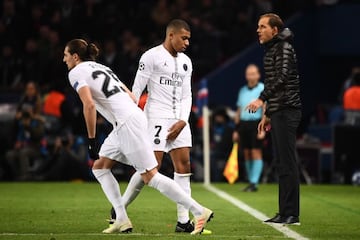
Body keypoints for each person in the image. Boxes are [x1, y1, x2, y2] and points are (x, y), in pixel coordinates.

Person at [63, 38, 213, 234]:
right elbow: (131, 96)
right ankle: (122, 219)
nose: (64, 59)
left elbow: (89, 105)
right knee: (100, 167)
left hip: (127, 123)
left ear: (75, 57)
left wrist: (92, 140)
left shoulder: (76, 72)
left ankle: (199, 211)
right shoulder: (101, 67)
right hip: (131, 119)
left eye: (65, 55)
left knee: (150, 176)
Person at [119, 19, 197, 233]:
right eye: (184, 38)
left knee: (184, 167)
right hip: (156, 117)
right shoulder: (150, 57)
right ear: (170, 35)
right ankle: (119, 209)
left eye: (189, 39)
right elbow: (136, 90)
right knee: (150, 168)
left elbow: (187, 94)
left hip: (179, 120)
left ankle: (183, 222)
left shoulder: (186, 62)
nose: (187, 43)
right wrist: (129, 117)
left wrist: (183, 120)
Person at [246, 13, 302, 225]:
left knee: (288, 163)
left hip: (288, 110)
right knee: (281, 163)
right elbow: (275, 81)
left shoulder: (284, 48)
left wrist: (261, 100)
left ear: (275, 30)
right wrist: (268, 113)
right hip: (279, 110)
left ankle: (292, 214)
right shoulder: (272, 49)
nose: (258, 30)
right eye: (258, 26)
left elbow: (282, 78)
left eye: (263, 27)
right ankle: (284, 212)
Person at [233, 64, 265, 192]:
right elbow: (239, 110)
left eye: (253, 73)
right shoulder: (242, 91)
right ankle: (250, 181)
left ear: (258, 75)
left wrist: (262, 128)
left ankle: (254, 182)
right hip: (244, 124)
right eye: (248, 73)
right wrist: (236, 129)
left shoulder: (263, 89)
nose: (251, 76)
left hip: (256, 123)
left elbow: (265, 108)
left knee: (256, 151)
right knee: (246, 153)